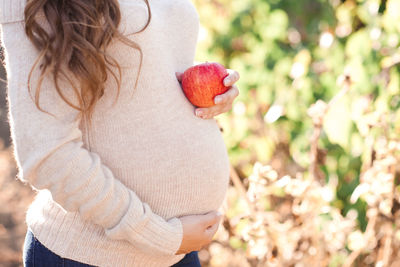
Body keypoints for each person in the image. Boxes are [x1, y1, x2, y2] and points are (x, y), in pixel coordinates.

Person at [0, 0, 240, 266]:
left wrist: (206, 92)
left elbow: (142, 71)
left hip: (176, 251)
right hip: (93, 256)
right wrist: (158, 235)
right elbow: (46, 153)